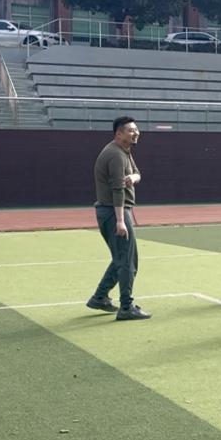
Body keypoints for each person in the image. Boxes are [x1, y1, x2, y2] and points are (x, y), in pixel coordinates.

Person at [86, 116, 151, 321]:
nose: (136, 133)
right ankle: (126, 307)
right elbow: (117, 190)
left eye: (136, 130)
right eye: (131, 130)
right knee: (128, 262)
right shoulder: (115, 155)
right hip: (114, 212)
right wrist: (121, 220)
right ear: (119, 133)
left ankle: (99, 297)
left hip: (112, 212)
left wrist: (134, 178)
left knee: (121, 259)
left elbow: (137, 173)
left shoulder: (123, 151)